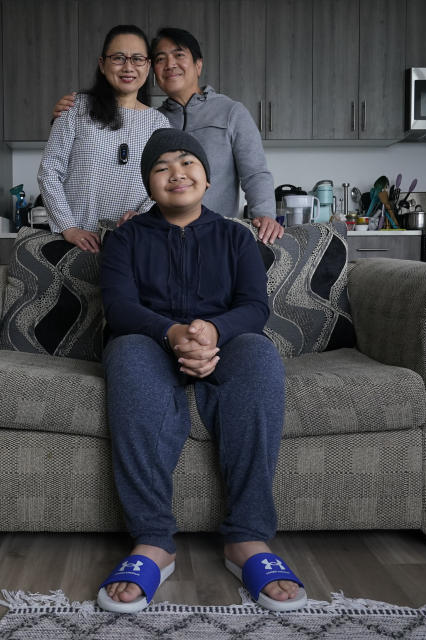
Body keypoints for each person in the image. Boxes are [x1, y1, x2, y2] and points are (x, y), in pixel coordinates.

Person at [96, 128, 306, 614]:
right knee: (126, 353)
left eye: (188, 163)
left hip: (227, 341)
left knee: (259, 355)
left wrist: (212, 331)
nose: (177, 173)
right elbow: (120, 307)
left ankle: (247, 538)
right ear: (148, 183)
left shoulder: (236, 236)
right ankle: (153, 541)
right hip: (147, 342)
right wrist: (173, 335)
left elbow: (255, 306)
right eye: (162, 166)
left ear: (207, 179)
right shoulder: (124, 239)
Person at [52, 27, 284, 245]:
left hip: (214, 237)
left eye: (179, 55)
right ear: (153, 70)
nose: (170, 64)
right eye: (161, 59)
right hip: (161, 241)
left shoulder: (230, 112)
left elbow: (255, 173)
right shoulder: (154, 119)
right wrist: (63, 117)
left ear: (198, 65)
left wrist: (264, 215)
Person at [38, 24, 170, 253]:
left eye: (137, 59)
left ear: (147, 65)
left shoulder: (159, 123)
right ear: (102, 64)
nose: (128, 67)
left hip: (133, 245)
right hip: (74, 245)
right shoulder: (76, 108)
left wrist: (143, 216)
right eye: (119, 58)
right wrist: (69, 227)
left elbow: (163, 182)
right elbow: (49, 171)